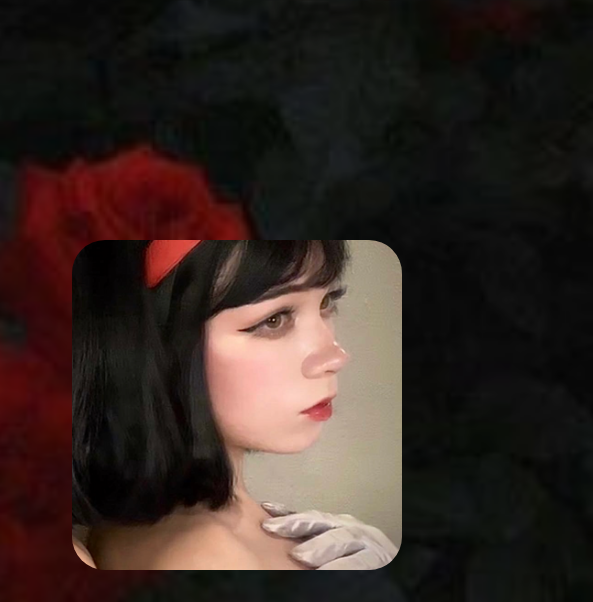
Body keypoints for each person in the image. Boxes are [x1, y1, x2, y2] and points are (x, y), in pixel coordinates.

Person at [74, 240, 396, 570]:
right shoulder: (208, 558)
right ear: (160, 349)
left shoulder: (133, 532)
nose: (335, 357)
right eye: (274, 320)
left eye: (326, 302)